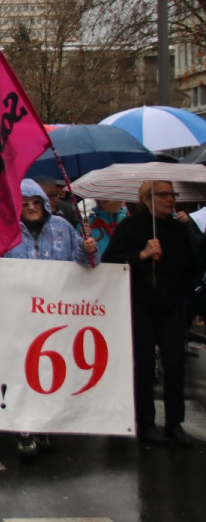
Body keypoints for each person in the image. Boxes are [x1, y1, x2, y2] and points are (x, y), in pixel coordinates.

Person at [0, 179, 98, 459]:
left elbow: (88, 266)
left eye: (36, 202)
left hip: (55, 315)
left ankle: (44, 424)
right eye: (24, 204)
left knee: (48, 371)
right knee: (22, 372)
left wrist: (89, 248)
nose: (32, 208)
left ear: (45, 204)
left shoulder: (63, 227)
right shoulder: (4, 231)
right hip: (17, 314)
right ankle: (25, 431)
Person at [104, 180, 203, 448]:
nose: (170, 199)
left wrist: (182, 290)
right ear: (147, 199)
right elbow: (111, 262)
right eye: (163, 194)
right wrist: (142, 255)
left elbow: (195, 264)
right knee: (144, 363)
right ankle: (145, 422)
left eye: (172, 194)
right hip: (140, 304)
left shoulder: (179, 229)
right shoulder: (130, 227)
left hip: (170, 306)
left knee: (174, 362)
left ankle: (174, 423)